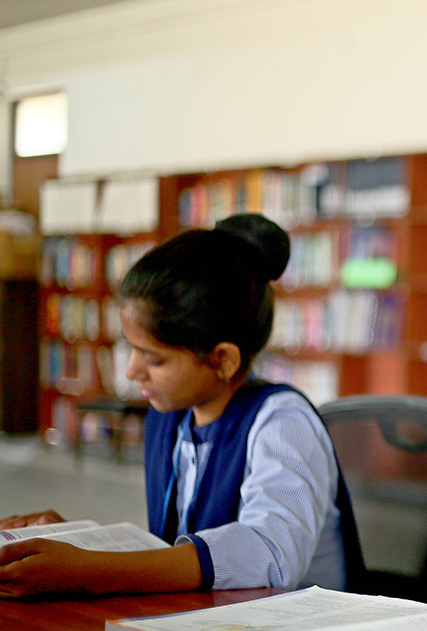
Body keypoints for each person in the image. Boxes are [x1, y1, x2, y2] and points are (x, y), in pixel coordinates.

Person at [0, 214, 361, 599]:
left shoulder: (283, 421)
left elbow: (270, 555)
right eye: (131, 349)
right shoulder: (169, 417)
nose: (132, 371)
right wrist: (82, 545)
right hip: (215, 626)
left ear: (223, 360)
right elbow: (174, 556)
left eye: (154, 359)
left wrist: (92, 569)